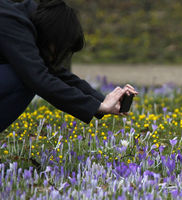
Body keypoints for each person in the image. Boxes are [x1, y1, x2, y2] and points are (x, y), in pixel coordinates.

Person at [0, 0, 138, 133]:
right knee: (21, 79)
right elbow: (38, 78)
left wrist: (103, 101)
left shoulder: (26, 22)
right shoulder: (12, 21)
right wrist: (98, 106)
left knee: (24, 74)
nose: (57, 55)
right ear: (53, 36)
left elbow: (55, 72)